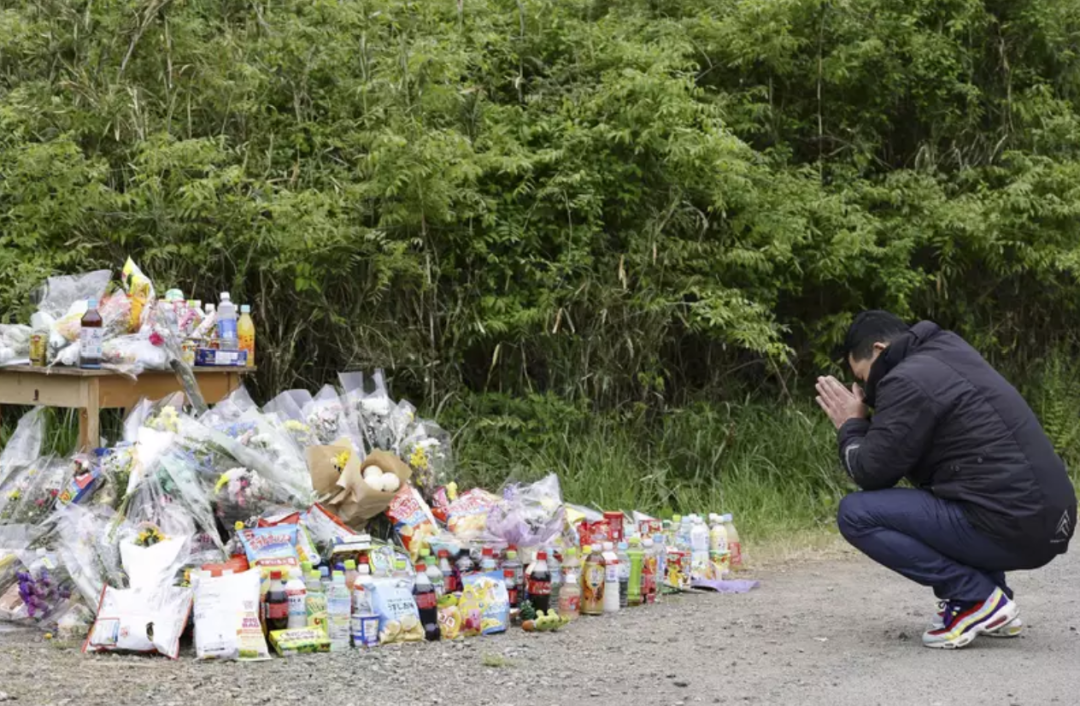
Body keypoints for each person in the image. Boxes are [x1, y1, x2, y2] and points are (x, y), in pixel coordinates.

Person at [815, 311, 1076, 649]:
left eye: (864, 377)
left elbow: (871, 472)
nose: (867, 390)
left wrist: (852, 425)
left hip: (1015, 522)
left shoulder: (907, 379)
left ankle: (976, 599)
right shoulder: (948, 350)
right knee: (953, 494)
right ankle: (996, 604)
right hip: (1052, 520)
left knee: (856, 513)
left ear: (879, 349)